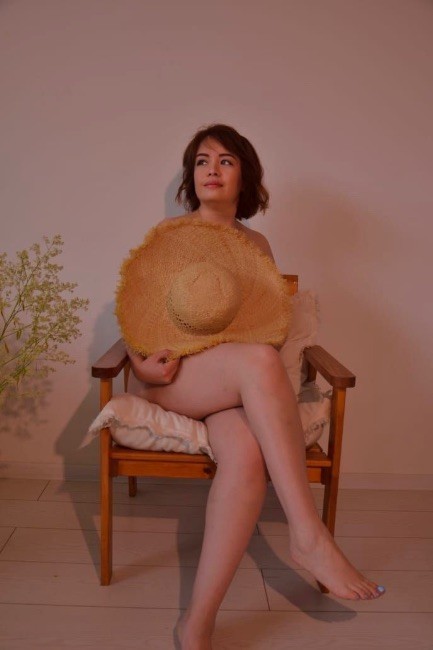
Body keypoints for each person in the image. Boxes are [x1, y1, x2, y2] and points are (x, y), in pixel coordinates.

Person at [126, 124, 386, 650]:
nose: (212, 170)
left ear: (244, 177)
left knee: (245, 455)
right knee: (261, 362)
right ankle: (308, 534)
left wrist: (242, 354)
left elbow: (266, 323)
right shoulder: (170, 234)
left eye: (226, 161)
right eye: (202, 161)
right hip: (175, 379)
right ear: (191, 175)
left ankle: (197, 622)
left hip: (233, 381)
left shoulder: (256, 244)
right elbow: (136, 313)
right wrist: (141, 366)